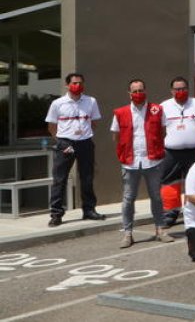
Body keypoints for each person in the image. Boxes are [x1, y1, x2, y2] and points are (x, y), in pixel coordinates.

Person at [110, 79, 173, 247]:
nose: (138, 94)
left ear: (146, 90)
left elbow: (163, 131)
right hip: (130, 162)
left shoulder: (157, 110)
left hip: (152, 161)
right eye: (135, 91)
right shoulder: (120, 113)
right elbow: (116, 136)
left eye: (141, 90)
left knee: (156, 197)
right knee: (128, 198)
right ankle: (128, 233)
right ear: (129, 94)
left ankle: (160, 229)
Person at [45, 72, 105, 226]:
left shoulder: (91, 101)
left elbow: (94, 122)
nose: (77, 86)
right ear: (67, 85)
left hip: (85, 143)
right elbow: (52, 126)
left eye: (80, 83)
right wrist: (61, 142)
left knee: (87, 177)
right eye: (74, 83)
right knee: (60, 179)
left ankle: (89, 210)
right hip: (65, 143)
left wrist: (85, 135)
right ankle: (56, 214)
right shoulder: (58, 103)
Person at [159, 76, 195, 227]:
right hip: (171, 153)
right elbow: (159, 130)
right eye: (177, 89)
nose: (181, 91)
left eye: (183, 88)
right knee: (169, 183)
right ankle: (170, 213)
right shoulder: (164, 107)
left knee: (194, 182)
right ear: (171, 91)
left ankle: (191, 211)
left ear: (188, 89)